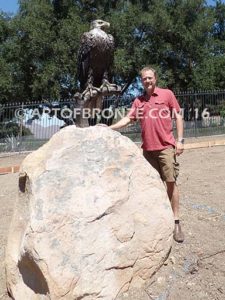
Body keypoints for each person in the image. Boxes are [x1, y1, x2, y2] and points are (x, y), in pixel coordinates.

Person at [109, 66, 185, 243]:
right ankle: (157, 218)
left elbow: (178, 116)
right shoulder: (139, 101)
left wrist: (180, 140)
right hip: (147, 151)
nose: (147, 81)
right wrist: (109, 127)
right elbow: (128, 119)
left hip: (166, 147)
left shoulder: (167, 94)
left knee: (171, 182)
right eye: (144, 79)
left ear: (155, 78)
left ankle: (175, 221)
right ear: (141, 81)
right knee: (151, 186)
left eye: (150, 78)